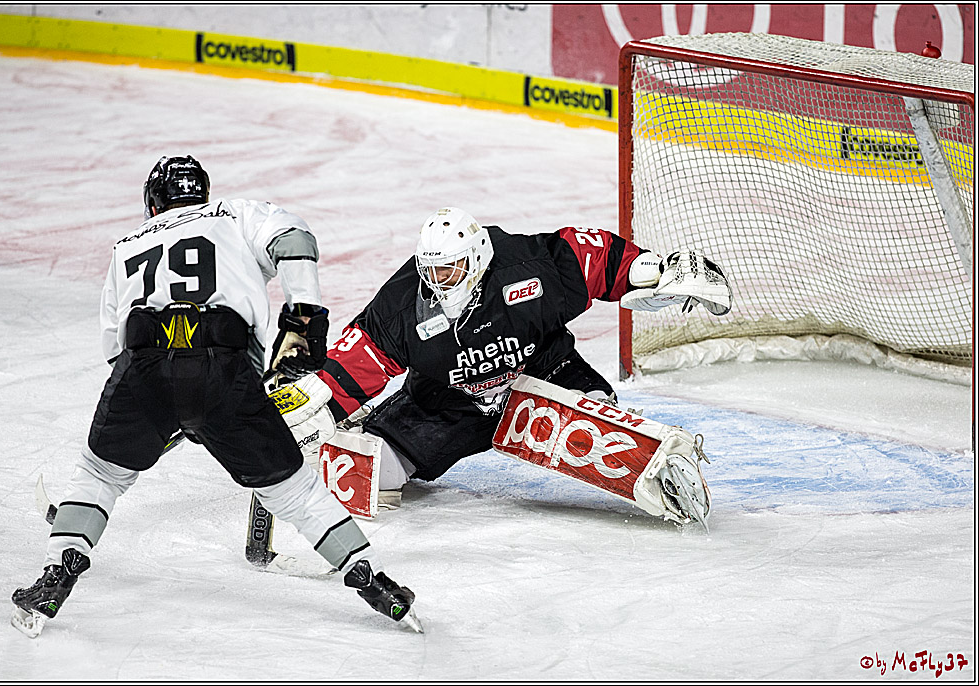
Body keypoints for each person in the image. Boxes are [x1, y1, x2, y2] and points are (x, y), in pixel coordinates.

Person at [11, 156, 420, 638]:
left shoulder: (126, 247)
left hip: (142, 369)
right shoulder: (232, 214)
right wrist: (303, 316)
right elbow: (296, 240)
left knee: (100, 475)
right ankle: (376, 585)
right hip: (225, 371)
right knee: (295, 492)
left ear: (153, 202)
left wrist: (164, 408)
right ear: (201, 192)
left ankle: (54, 580)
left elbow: (113, 347)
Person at [299, 207, 731, 522]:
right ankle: (353, 438)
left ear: (479, 259)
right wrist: (318, 405)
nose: (438, 281)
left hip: (545, 376)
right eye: (432, 270)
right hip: (448, 405)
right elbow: (359, 359)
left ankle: (649, 460)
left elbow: (591, 258)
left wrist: (653, 269)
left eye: (451, 270)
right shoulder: (403, 304)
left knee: (596, 420)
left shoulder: (526, 268)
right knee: (363, 471)